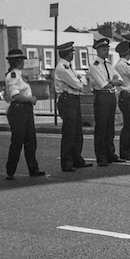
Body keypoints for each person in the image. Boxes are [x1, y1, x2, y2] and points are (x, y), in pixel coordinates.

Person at [3, 48, 46, 180]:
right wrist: (30, 99)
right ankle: (10, 170)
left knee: (30, 141)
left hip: (24, 110)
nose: (23, 62)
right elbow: (15, 95)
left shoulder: (19, 75)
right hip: (19, 110)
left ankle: (33, 168)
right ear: (17, 62)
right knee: (18, 141)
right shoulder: (13, 75)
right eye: (21, 60)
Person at [53, 41, 89, 172]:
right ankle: (67, 161)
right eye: (72, 52)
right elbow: (79, 85)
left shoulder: (69, 67)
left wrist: (80, 82)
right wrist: (80, 81)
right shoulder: (63, 68)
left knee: (77, 131)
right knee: (69, 132)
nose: (73, 54)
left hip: (73, 99)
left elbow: (81, 83)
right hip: (67, 100)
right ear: (68, 54)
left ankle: (76, 158)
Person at [88, 37, 119, 167]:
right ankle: (101, 157)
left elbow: (120, 80)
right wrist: (112, 82)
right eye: (104, 49)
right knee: (101, 127)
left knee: (110, 127)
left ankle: (110, 153)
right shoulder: (94, 66)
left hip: (111, 96)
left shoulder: (109, 65)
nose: (106, 51)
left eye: (107, 49)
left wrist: (111, 82)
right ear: (98, 50)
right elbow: (103, 84)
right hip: (102, 96)